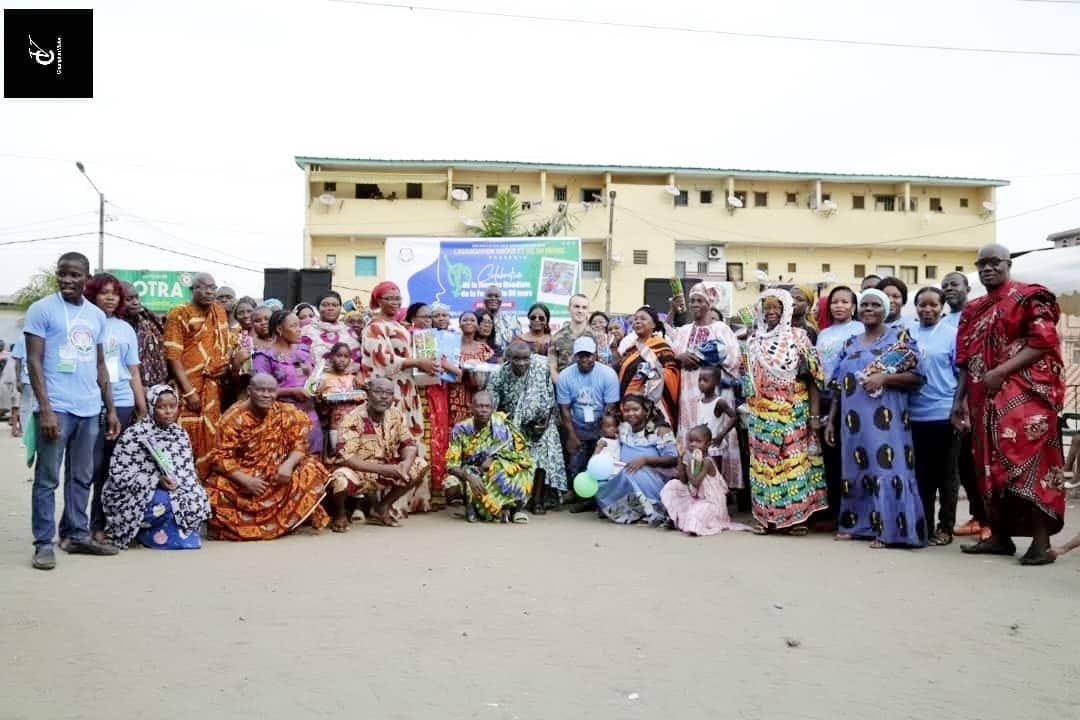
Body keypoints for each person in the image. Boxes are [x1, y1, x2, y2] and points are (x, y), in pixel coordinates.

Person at [954, 243, 1066, 565]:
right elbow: (964, 360)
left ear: (1007, 264)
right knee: (989, 469)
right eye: (982, 264)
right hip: (982, 402)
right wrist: (958, 401)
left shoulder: (1029, 296)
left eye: (994, 262)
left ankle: (1041, 544)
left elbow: (1045, 342)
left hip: (1024, 400)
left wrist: (1001, 371)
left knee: (1028, 465)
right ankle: (1000, 537)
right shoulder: (973, 309)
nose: (988, 268)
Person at [25, 252, 121, 569]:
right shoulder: (41, 310)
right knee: (47, 478)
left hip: (89, 408)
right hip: (57, 408)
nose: (67, 279)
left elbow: (99, 364)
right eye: (62, 274)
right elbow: (34, 362)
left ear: (86, 277)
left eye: (75, 275)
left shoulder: (96, 316)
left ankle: (76, 535)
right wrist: (47, 409)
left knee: (81, 477)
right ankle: (43, 543)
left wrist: (108, 409)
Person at [825, 288, 926, 549]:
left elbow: (917, 378)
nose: (869, 309)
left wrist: (885, 377)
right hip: (852, 422)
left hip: (886, 420)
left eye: (875, 305)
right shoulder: (850, 342)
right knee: (855, 469)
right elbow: (837, 385)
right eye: (865, 305)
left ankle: (890, 530)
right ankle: (855, 525)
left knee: (886, 469)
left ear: (885, 310)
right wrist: (832, 419)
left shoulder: (899, 338)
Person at [203, 373, 331, 540]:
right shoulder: (233, 418)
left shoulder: (285, 412)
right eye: (261, 390)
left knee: (311, 467)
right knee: (215, 489)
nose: (266, 395)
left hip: (276, 475)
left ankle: (288, 519)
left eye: (271, 391)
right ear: (249, 391)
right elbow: (219, 459)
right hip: (244, 476)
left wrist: (288, 465)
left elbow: (300, 444)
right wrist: (246, 481)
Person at [743, 288, 826, 536]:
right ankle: (764, 518)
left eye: (777, 308)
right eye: (766, 308)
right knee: (762, 465)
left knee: (794, 464)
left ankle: (796, 519)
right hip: (762, 415)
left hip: (795, 411)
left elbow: (815, 378)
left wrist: (813, 416)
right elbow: (747, 382)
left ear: (786, 311)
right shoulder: (752, 341)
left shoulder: (800, 337)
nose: (771, 313)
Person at [102, 385, 211, 549]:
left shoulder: (180, 434)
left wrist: (180, 484)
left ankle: (175, 534)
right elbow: (119, 474)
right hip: (138, 491)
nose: (168, 412)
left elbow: (186, 470)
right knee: (163, 503)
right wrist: (155, 480)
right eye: (161, 407)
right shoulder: (135, 434)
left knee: (196, 496)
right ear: (152, 407)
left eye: (172, 406)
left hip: (173, 486)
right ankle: (143, 533)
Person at [360, 282, 438, 511]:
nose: (395, 302)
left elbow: (413, 356)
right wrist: (417, 362)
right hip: (388, 392)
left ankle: (412, 499)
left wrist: (429, 363)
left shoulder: (400, 325)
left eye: (398, 298)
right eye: (389, 298)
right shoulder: (374, 327)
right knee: (392, 442)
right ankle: (390, 503)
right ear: (378, 301)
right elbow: (381, 361)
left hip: (408, 390)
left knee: (410, 439)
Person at [84, 272, 147, 543]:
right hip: (89, 401)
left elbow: (133, 371)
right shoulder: (84, 323)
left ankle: (101, 525)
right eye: (104, 292)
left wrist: (141, 406)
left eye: (115, 293)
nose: (110, 298)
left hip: (122, 402)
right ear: (93, 294)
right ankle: (76, 525)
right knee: (90, 467)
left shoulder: (124, 329)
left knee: (112, 467)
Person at [328, 377, 428, 531]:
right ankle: (340, 514)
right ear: (367, 394)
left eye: (388, 393)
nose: (384, 396)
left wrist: (405, 464)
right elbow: (346, 457)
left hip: (386, 471)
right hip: (359, 473)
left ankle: (381, 509)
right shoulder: (352, 418)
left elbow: (408, 443)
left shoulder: (395, 414)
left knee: (420, 465)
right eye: (378, 391)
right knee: (340, 477)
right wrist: (385, 470)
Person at [671, 282, 743, 487]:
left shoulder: (721, 328)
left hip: (715, 391)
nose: (695, 304)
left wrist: (707, 357)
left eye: (700, 300)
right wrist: (681, 356)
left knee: (713, 435)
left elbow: (734, 358)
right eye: (692, 300)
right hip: (688, 391)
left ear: (710, 304)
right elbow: (673, 354)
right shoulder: (683, 330)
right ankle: (691, 483)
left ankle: (717, 488)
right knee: (692, 432)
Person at [163, 272, 231, 478]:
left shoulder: (219, 311)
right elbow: (173, 356)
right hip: (187, 388)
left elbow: (224, 349)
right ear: (193, 290)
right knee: (185, 439)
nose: (210, 291)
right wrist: (189, 391)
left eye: (213, 287)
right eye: (204, 287)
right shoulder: (179, 313)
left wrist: (224, 366)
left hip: (212, 388)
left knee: (211, 437)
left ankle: (205, 488)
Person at [488, 340, 566, 512]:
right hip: (512, 424)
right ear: (508, 358)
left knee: (544, 445)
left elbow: (550, 400)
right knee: (508, 447)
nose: (522, 363)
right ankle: (517, 495)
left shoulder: (541, 369)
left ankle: (537, 499)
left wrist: (543, 424)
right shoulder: (498, 374)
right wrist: (506, 426)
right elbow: (491, 407)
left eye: (525, 359)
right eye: (517, 359)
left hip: (541, 423)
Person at [908, 287, 959, 546]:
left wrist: (960, 409)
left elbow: (961, 376)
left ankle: (946, 527)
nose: (927, 310)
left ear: (942, 307)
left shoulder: (952, 335)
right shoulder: (908, 334)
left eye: (933, 305)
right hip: (915, 415)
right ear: (915, 307)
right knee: (922, 475)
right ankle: (925, 525)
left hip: (944, 414)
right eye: (922, 305)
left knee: (946, 476)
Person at [941, 271, 988, 540]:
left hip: (977, 399)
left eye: (954, 284)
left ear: (968, 287)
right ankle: (977, 516)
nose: (949, 289)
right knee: (962, 464)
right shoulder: (944, 322)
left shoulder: (978, 314)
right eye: (945, 285)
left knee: (979, 462)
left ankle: (989, 519)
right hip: (951, 401)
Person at [814, 286, 865, 527]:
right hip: (825, 399)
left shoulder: (860, 329)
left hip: (851, 399)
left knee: (851, 456)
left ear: (854, 307)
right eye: (835, 302)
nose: (839, 306)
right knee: (831, 458)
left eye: (845, 302)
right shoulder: (823, 334)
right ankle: (834, 512)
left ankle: (853, 512)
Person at [446, 390, 534, 523]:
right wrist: (470, 477)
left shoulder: (501, 427)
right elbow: (452, 466)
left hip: (495, 471)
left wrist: (493, 459)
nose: (483, 410)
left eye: (487, 407)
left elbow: (516, 455)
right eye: (480, 406)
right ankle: (482, 509)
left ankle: (514, 509)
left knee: (520, 469)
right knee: (451, 484)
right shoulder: (460, 429)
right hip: (470, 471)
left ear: (493, 409)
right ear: (471, 407)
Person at [596, 394, 678, 525]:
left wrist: (645, 460)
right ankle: (626, 510)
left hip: (652, 475)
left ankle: (650, 509)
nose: (630, 414)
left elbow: (674, 459)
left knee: (630, 473)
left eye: (635, 409)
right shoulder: (623, 427)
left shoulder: (660, 430)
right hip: (624, 470)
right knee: (601, 479)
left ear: (645, 410)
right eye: (627, 410)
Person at [252, 310, 320, 454]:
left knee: (312, 463)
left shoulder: (303, 351)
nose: (298, 330)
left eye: (298, 326)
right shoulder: (264, 356)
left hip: (310, 415)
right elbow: (257, 392)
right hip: (281, 419)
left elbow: (312, 377)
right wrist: (291, 391)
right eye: (293, 326)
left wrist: (319, 387)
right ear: (279, 329)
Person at [661, 424, 747, 536]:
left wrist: (687, 467)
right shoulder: (693, 460)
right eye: (690, 441)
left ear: (707, 444)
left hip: (712, 503)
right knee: (673, 485)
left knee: (694, 514)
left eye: (698, 441)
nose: (693, 445)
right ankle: (677, 519)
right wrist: (680, 457)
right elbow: (683, 480)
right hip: (698, 498)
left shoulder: (707, 462)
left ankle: (690, 523)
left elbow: (695, 483)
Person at [557, 336, 621, 482]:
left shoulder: (608, 374)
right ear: (575, 357)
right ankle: (576, 492)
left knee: (601, 463)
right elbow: (565, 409)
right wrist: (572, 436)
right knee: (575, 464)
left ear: (596, 354)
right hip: (577, 425)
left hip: (600, 425)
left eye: (589, 355)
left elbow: (610, 407)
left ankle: (597, 496)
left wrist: (603, 433)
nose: (585, 359)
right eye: (581, 355)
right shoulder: (565, 376)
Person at [617, 306, 680, 430]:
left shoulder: (661, 347)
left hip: (653, 405)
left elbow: (671, 372)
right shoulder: (630, 348)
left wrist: (647, 387)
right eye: (635, 319)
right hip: (628, 405)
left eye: (643, 319)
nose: (638, 321)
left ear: (653, 324)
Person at [316, 342, 364, 455]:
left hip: (355, 426)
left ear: (350, 359)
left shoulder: (353, 378)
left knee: (356, 455)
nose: (342, 360)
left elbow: (362, 397)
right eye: (339, 356)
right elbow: (319, 404)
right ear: (332, 357)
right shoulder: (324, 378)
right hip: (335, 426)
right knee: (339, 455)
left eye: (346, 357)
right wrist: (321, 400)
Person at [448, 310, 495, 424]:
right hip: (455, 397)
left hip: (477, 398)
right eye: (465, 320)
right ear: (459, 324)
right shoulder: (450, 346)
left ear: (478, 325)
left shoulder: (485, 349)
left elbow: (491, 374)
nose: (468, 322)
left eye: (472, 320)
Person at [549, 294, 605, 382]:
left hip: (591, 388)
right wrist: (563, 386)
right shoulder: (556, 337)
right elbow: (552, 368)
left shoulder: (598, 337)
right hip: (564, 390)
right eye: (576, 306)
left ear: (588, 311)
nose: (580, 311)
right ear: (569, 308)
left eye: (584, 307)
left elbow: (604, 366)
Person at [122, 282, 168, 389]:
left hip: (155, 385)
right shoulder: (114, 326)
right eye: (129, 299)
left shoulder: (148, 320)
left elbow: (161, 351)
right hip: (127, 385)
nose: (136, 302)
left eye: (137, 298)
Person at [301, 291, 360, 364]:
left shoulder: (349, 332)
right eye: (325, 305)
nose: (330, 308)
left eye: (335, 305)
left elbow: (357, 360)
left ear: (340, 308)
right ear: (318, 307)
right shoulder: (305, 332)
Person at [483, 285, 520, 356]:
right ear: (483, 299)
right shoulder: (475, 319)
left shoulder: (513, 321)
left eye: (497, 296)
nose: (493, 298)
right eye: (489, 296)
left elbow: (518, 347)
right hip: (479, 364)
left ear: (501, 300)